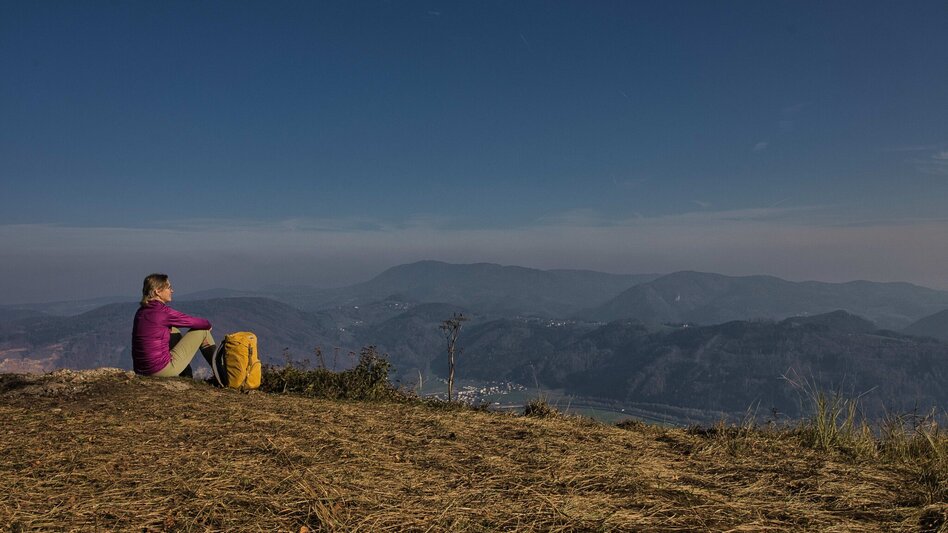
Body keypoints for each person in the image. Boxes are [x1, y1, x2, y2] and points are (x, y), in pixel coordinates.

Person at [132, 273, 216, 377]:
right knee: (203, 331)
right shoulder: (163, 312)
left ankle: (186, 375)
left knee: (173, 329)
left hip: (141, 370)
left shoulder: (140, 312)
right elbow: (196, 322)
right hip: (160, 370)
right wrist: (208, 325)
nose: (172, 291)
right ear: (157, 291)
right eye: (169, 287)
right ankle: (222, 376)